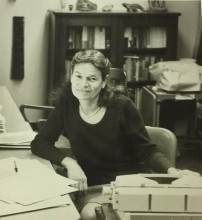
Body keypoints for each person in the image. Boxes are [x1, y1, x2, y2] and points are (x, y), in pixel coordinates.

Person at [31, 49, 199, 219]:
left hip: (124, 185)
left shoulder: (122, 106)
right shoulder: (67, 104)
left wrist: (172, 171)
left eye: (92, 78)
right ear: (71, 76)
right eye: (78, 76)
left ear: (104, 82)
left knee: (90, 215)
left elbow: (147, 151)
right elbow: (40, 142)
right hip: (89, 184)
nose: (83, 84)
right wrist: (70, 163)